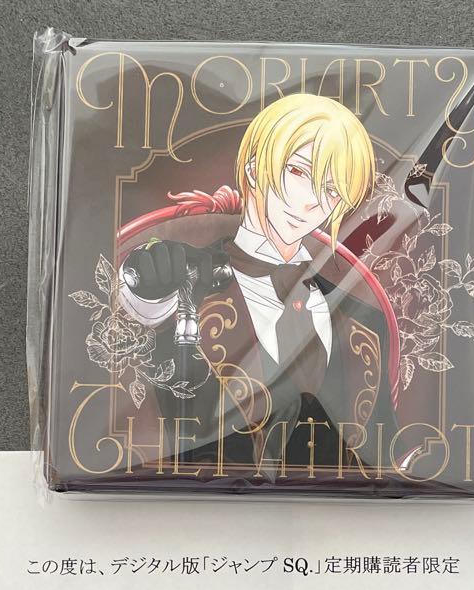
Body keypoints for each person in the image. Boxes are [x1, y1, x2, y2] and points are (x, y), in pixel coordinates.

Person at [117, 93, 401, 480]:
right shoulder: (183, 280)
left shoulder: (365, 322)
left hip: (340, 514)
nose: (311, 203)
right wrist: (148, 286)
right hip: (191, 509)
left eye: (332, 190)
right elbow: (141, 307)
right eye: (298, 172)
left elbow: (384, 461)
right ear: (254, 168)